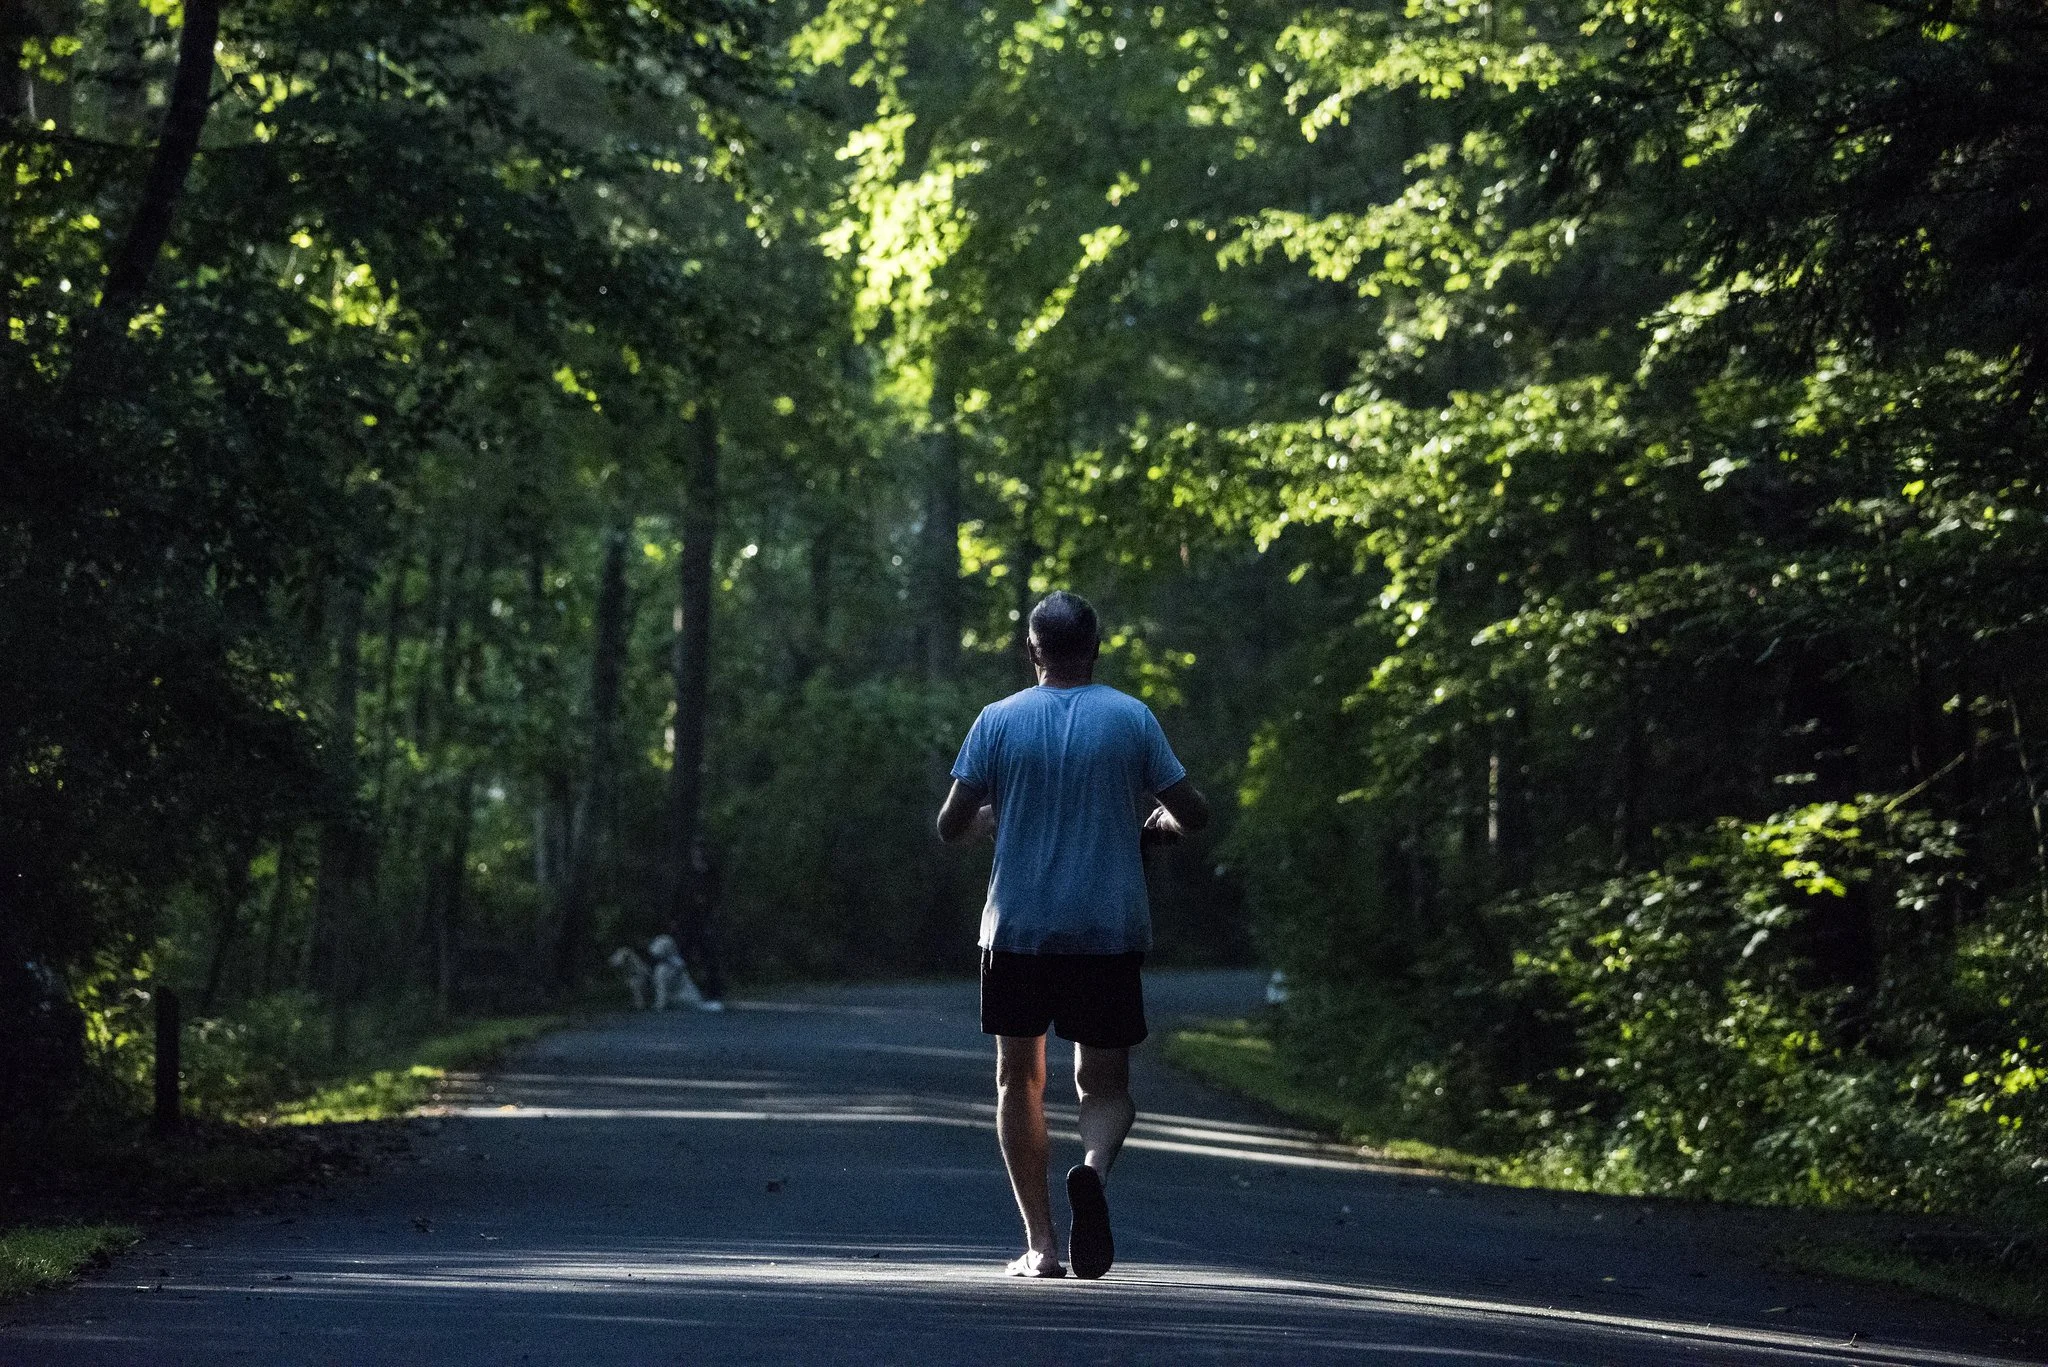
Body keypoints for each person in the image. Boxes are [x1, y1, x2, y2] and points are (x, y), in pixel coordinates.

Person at [936, 590, 1210, 1280]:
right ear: (1096, 647)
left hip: (1018, 928)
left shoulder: (997, 721)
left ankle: (1042, 1245)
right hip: (1106, 927)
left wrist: (986, 820)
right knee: (1106, 1084)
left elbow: (950, 822)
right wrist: (1164, 823)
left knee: (1018, 1079)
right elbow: (1192, 812)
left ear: (1032, 650)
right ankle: (1090, 1168)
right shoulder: (1131, 718)